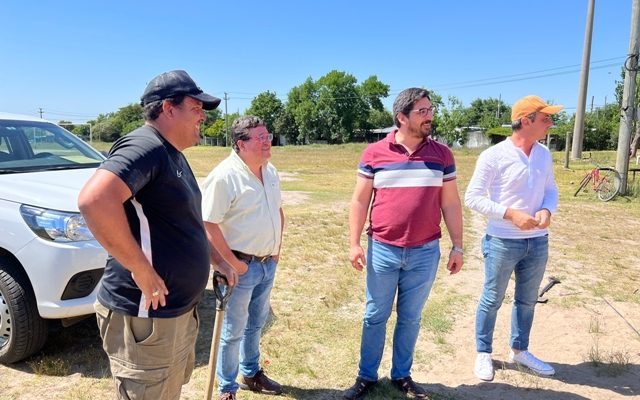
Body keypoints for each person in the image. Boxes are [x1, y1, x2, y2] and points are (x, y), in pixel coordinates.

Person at [78, 70, 227, 399]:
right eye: (196, 107)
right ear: (168, 109)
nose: (203, 115)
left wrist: (217, 259)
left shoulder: (172, 153)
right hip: (146, 313)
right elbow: (94, 200)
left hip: (174, 313)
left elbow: (183, 221)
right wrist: (140, 268)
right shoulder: (145, 145)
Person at [345, 88, 464, 400]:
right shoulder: (374, 153)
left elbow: (450, 204)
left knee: (410, 317)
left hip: (425, 251)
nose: (430, 116)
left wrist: (458, 245)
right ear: (401, 117)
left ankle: (402, 375)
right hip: (383, 248)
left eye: (430, 109)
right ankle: (366, 377)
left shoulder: (442, 155)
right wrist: (354, 243)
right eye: (422, 111)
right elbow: (359, 201)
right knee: (374, 315)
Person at [465, 95, 561, 381]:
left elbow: (551, 189)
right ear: (526, 121)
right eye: (545, 119)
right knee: (492, 298)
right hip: (502, 241)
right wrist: (510, 214)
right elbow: (473, 198)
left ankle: (519, 351)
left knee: (528, 300)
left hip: (538, 241)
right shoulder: (493, 156)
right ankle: (484, 353)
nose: (551, 124)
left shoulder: (544, 154)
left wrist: (547, 209)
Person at [201, 115, 284, 400]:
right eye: (260, 137)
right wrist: (230, 263)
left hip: (266, 264)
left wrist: (277, 249)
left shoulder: (270, 170)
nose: (267, 141)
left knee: (256, 324)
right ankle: (227, 388)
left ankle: (251, 373)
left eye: (267, 135)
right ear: (241, 144)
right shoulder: (225, 176)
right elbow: (208, 223)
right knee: (233, 330)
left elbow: (279, 210)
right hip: (240, 267)